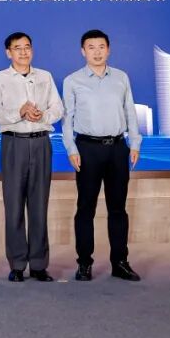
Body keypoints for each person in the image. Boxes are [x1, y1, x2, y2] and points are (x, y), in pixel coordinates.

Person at [62, 29, 142, 283]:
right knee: (85, 208)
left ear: (108, 49)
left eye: (101, 47)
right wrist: (71, 148)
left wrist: (135, 143)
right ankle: (84, 263)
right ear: (82, 51)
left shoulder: (121, 77)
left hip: (118, 148)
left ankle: (120, 262)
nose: (97, 52)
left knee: (118, 208)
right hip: (87, 148)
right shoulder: (72, 81)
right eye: (91, 47)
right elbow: (67, 119)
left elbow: (130, 111)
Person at [0, 32, 63, 283]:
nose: (23, 52)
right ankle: (18, 264)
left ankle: (39, 264)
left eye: (27, 47)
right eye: (17, 48)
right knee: (14, 206)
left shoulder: (45, 76)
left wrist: (42, 116)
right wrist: (19, 112)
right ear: (8, 52)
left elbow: (58, 108)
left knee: (39, 205)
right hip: (14, 143)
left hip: (41, 142)